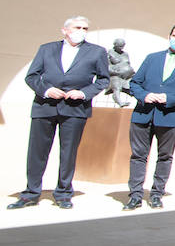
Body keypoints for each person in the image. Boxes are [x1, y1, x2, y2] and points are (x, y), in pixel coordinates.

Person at [8, 17, 110, 210]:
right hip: (44, 106)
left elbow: (103, 80)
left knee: (68, 152)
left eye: (85, 28)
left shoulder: (97, 52)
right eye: (77, 27)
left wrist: (83, 93)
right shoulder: (46, 49)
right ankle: (31, 193)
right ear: (65, 30)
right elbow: (32, 76)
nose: (81, 30)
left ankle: (63, 193)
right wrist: (46, 90)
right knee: (37, 152)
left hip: (75, 109)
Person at [124, 23, 175, 210]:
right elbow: (135, 83)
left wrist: (169, 98)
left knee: (165, 156)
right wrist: (144, 95)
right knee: (138, 156)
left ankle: (156, 194)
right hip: (143, 114)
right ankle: (135, 195)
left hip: (170, 116)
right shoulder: (152, 58)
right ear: (169, 36)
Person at [106, 38, 135, 107]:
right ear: (115, 45)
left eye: (122, 46)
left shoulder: (125, 54)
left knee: (133, 87)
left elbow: (128, 64)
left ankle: (140, 101)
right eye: (119, 46)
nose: (121, 48)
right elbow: (106, 66)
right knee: (117, 87)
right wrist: (114, 72)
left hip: (126, 76)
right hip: (115, 74)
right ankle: (120, 102)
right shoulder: (109, 53)